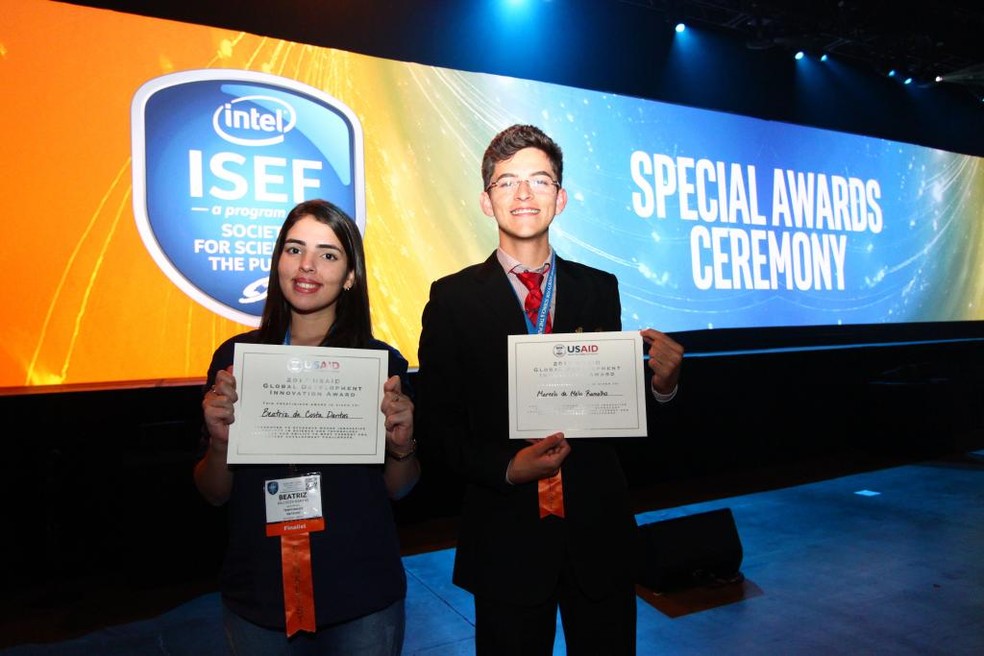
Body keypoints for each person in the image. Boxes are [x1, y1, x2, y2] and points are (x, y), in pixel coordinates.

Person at [415, 124, 683, 655]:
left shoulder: (598, 288)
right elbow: (437, 426)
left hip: (598, 531)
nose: (523, 194)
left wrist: (663, 387)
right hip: (505, 534)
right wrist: (508, 467)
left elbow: (616, 413)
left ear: (560, 198)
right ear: (486, 200)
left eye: (539, 180)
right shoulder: (452, 299)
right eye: (506, 181)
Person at [195, 199, 420, 656]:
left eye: (329, 254)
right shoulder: (235, 361)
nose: (308, 266)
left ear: (351, 275)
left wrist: (402, 445)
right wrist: (221, 444)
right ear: (278, 260)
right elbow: (213, 491)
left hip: (361, 593)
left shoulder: (383, 366)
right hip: (259, 592)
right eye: (295, 250)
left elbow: (400, 488)